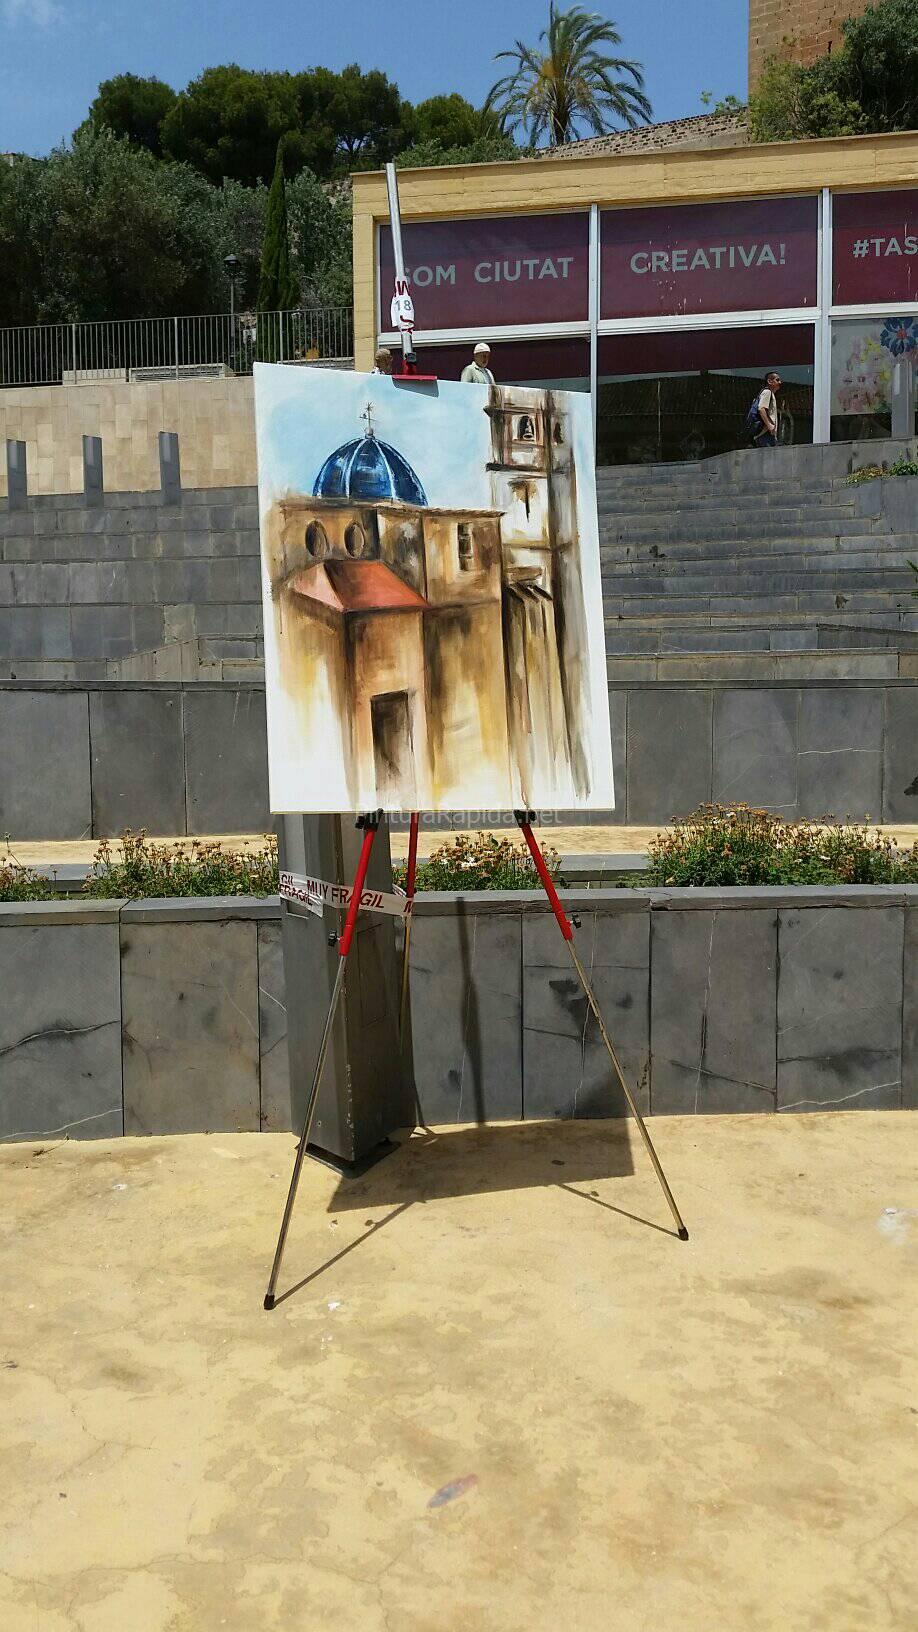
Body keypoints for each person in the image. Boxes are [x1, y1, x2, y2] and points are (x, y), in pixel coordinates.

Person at [753, 371, 782, 447]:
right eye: (777, 380)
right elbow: (761, 409)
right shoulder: (767, 392)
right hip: (765, 434)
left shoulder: (770, 393)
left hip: (767, 434)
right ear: (769, 381)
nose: (780, 382)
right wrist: (770, 426)